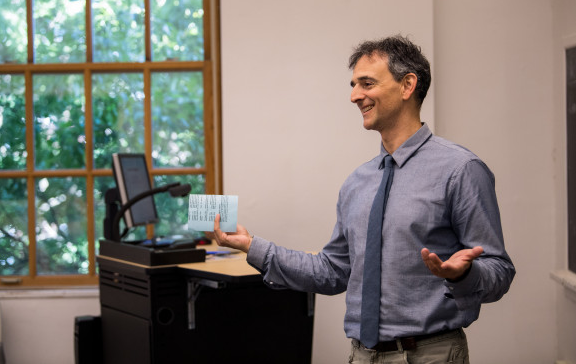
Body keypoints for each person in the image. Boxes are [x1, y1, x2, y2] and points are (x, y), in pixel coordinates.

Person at [212, 35, 515, 363]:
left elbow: (499, 271)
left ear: (407, 85)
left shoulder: (461, 169)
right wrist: (250, 245)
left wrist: (463, 275)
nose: (355, 96)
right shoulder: (357, 183)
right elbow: (333, 271)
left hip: (430, 355)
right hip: (361, 356)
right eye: (354, 85)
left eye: (367, 83)